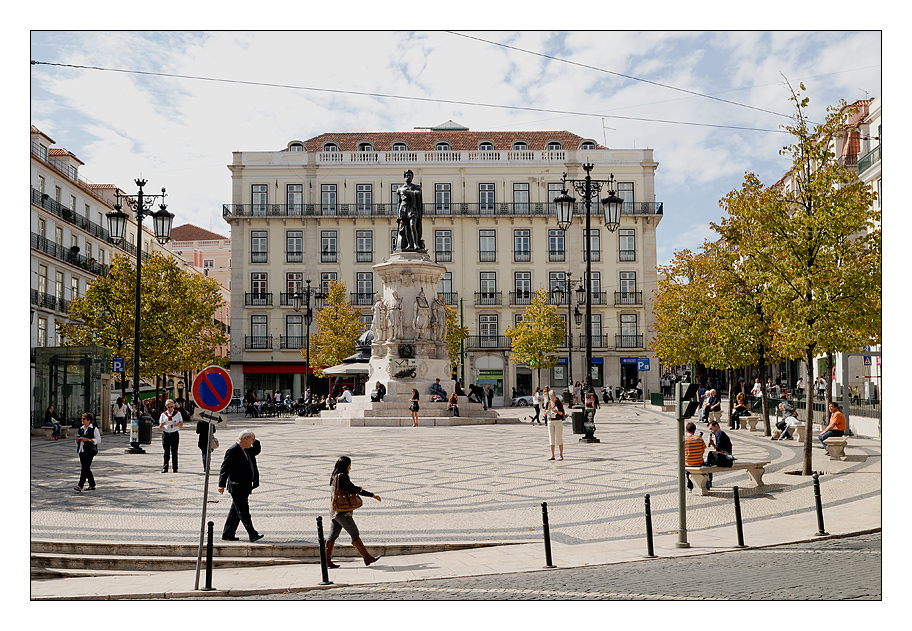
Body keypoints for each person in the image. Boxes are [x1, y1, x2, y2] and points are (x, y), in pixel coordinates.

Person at [325, 456, 382, 568]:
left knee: (332, 535)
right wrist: (368, 493)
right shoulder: (342, 476)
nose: (350, 467)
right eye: (349, 465)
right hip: (342, 512)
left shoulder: (334, 476)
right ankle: (366, 557)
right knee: (354, 533)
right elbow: (352, 489)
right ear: (346, 465)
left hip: (335, 511)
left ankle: (327, 560)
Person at [218, 430, 264, 542]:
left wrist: (255, 440)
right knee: (243, 511)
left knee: (235, 511)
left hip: (245, 485)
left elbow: (257, 450)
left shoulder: (248, 450)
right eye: (252, 440)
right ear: (245, 439)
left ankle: (228, 534)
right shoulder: (233, 450)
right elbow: (225, 468)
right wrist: (221, 484)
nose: (253, 442)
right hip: (236, 486)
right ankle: (252, 534)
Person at [395, 169, 424, 251]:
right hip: (403, 208)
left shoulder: (415, 187)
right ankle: (409, 244)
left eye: (410, 176)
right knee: (406, 227)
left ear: (412, 177)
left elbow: (418, 193)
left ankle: (416, 244)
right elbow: (399, 202)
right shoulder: (400, 189)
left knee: (412, 225)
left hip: (412, 207)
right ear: (404, 177)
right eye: (407, 176)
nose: (408, 177)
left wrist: (410, 192)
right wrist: (398, 215)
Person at [74, 412, 100, 492]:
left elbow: (98, 440)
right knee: (86, 468)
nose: (82, 420)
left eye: (84, 419)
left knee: (85, 468)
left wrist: (88, 440)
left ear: (89, 420)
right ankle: (92, 484)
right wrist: (77, 440)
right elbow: (77, 440)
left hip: (89, 450)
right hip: (81, 450)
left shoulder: (94, 429)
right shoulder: (81, 428)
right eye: (82, 419)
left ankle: (80, 485)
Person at [706, 420, 733, 490]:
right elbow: (718, 449)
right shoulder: (721, 433)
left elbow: (717, 449)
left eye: (711, 429)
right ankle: (709, 482)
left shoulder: (719, 433)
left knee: (704, 463)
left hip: (724, 460)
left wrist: (713, 444)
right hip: (726, 458)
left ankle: (708, 482)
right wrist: (713, 444)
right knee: (707, 462)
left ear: (716, 426)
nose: (711, 431)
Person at [158, 399, 183, 473]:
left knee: (174, 451)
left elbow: (181, 424)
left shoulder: (177, 414)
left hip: (174, 433)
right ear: (166, 407)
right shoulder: (163, 414)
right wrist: (162, 425)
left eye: (171, 406)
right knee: (166, 452)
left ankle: (175, 468)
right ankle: (165, 467)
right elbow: (160, 426)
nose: (170, 408)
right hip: (166, 434)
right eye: (168, 407)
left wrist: (177, 424)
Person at [684, 422, 706, 492]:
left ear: (685, 430)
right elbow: (703, 450)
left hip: (688, 463)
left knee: (685, 465)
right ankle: (707, 483)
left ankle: (690, 486)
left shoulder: (684, 440)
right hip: (699, 462)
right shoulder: (699, 439)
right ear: (694, 431)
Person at [546, 391, 565, 461]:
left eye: (553, 398)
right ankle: (552, 455)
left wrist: (557, 412)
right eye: (551, 398)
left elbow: (563, 413)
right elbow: (545, 412)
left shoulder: (559, 403)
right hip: (550, 421)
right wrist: (547, 413)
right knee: (551, 438)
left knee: (559, 438)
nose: (552, 399)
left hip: (557, 421)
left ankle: (561, 455)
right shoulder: (548, 403)